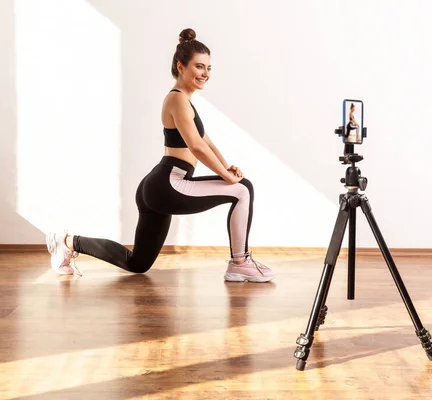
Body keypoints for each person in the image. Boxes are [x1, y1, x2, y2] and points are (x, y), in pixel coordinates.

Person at [45, 28, 275, 283]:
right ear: (181, 66)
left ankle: (66, 241)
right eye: (199, 67)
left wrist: (227, 168)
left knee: (137, 263)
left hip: (158, 186)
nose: (205, 74)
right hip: (169, 183)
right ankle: (240, 263)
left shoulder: (186, 101)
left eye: (208, 68)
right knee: (243, 190)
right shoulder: (177, 100)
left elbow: (206, 141)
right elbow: (196, 147)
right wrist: (228, 178)